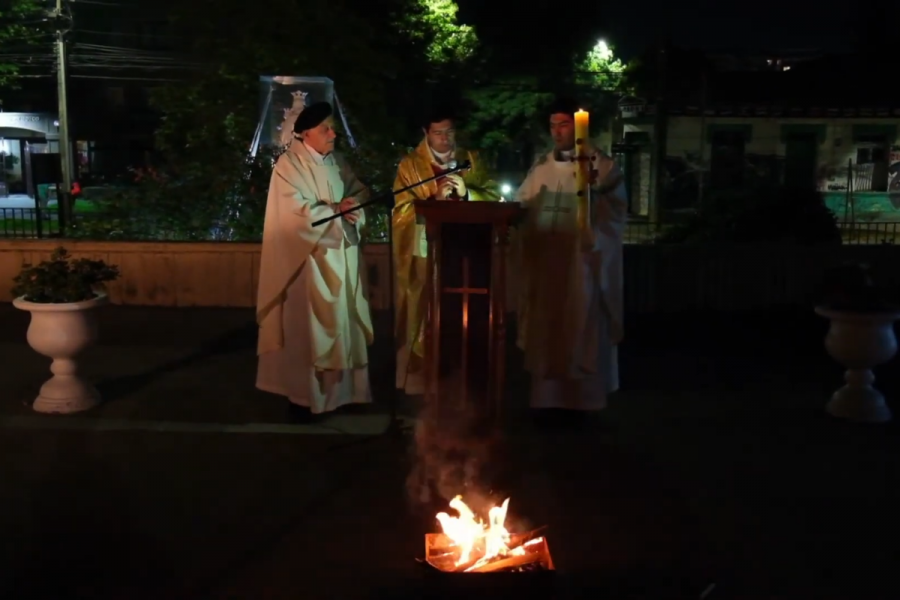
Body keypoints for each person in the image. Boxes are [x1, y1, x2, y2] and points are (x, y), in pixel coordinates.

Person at [256, 101, 374, 422]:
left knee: (343, 327)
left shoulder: (337, 162)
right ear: (306, 133)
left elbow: (359, 193)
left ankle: (344, 396)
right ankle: (305, 400)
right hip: (308, 265)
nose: (333, 133)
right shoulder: (288, 166)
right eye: (326, 128)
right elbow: (292, 215)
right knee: (309, 335)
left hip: (342, 259)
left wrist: (352, 206)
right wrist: (334, 211)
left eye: (332, 127)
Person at [514, 97, 627, 419]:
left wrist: (597, 195)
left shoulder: (600, 167)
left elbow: (616, 210)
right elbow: (523, 205)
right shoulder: (541, 168)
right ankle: (547, 401)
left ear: (578, 127)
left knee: (582, 325)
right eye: (553, 125)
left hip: (582, 266)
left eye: (564, 124)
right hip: (550, 264)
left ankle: (584, 401)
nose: (557, 131)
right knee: (550, 327)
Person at [392, 110, 499, 395]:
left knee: (461, 310)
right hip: (426, 252)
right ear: (425, 133)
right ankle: (420, 382)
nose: (444, 139)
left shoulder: (472, 160)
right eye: (438, 133)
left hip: (466, 251)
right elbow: (400, 209)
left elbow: (493, 195)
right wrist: (432, 201)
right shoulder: (411, 165)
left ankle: (463, 378)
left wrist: (467, 194)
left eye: (449, 132)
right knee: (424, 309)